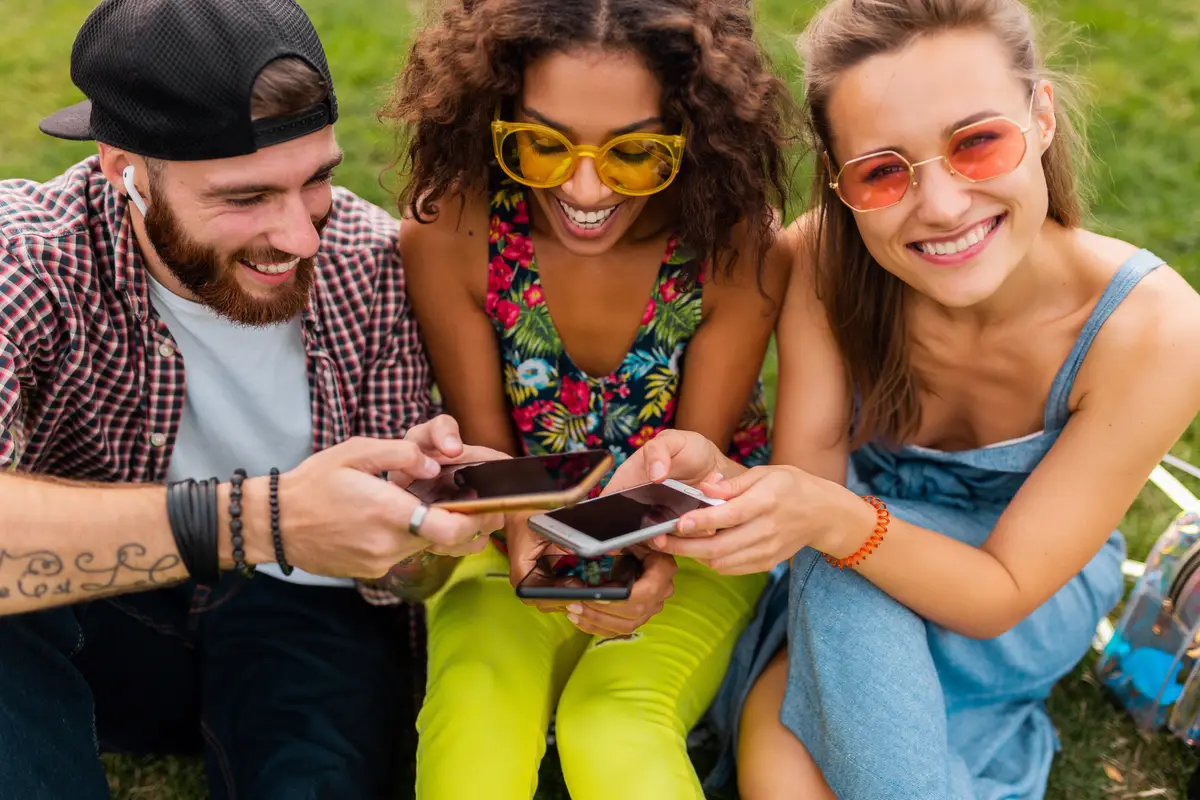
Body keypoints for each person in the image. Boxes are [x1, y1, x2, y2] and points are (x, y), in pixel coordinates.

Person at [606, 0, 1200, 797]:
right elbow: (805, 497)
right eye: (883, 170)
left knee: (844, 587)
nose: (944, 207)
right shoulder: (822, 258)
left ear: (1044, 116)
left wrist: (830, 516)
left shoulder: (1155, 328)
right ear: (839, 178)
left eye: (978, 143)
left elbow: (998, 592)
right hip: (841, 578)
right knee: (781, 762)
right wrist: (716, 476)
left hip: (1016, 600)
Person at [0, 1, 504, 798]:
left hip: (301, 622)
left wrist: (424, 526)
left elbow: (407, 583)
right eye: (244, 198)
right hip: (96, 612)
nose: (301, 237)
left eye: (316, 180)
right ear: (122, 168)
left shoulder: (367, 259)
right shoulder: (28, 257)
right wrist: (261, 519)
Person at [369, 0, 796, 797]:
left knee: (616, 716)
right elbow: (492, 463)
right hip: (506, 535)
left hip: (697, 533)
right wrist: (521, 524)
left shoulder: (738, 240)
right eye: (541, 143)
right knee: (478, 700)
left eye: (635, 153)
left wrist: (646, 562)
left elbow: (694, 464)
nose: (585, 185)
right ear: (493, 113)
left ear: (695, 129)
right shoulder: (450, 230)